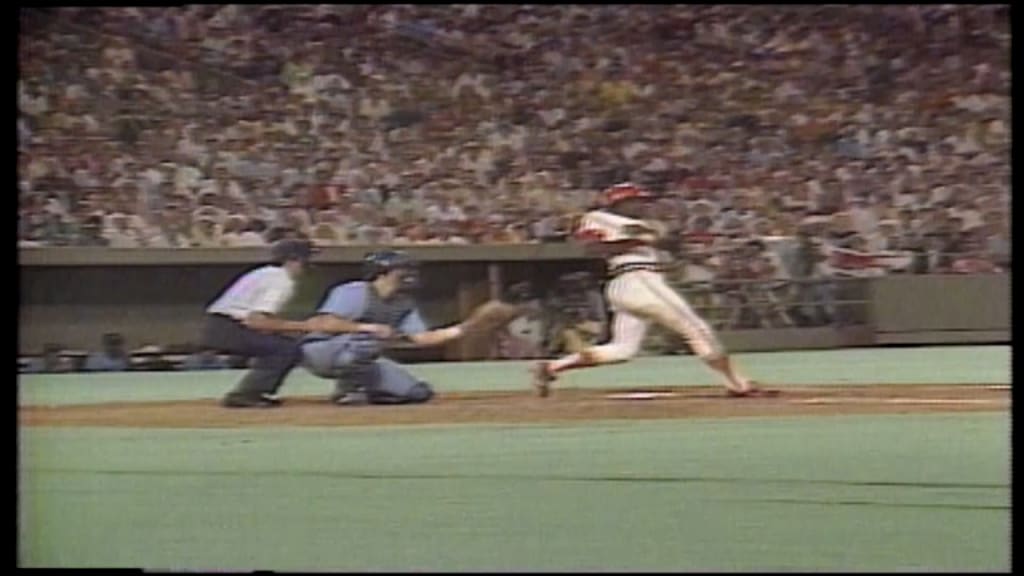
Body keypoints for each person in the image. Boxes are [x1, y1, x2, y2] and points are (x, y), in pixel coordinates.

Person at [531, 182, 775, 398]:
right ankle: (739, 385)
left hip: (633, 282)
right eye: (635, 201)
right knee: (695, 329)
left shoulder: (633, 223)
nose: (641, 205)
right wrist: (647, 238)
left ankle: (551, 368)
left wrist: (662, 240)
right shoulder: (604, 217)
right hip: (637, 279)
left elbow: (659, 242)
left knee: (622, 349)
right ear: (620, 202)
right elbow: (595, 248)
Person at [299, 250, 469, 405]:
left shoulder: (404, 303)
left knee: (418, 393)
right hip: (320, 351)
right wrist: (367, 327)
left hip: (361, 357)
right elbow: (324, 324)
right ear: (382, 273)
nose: (409, 274)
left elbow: (423, 338)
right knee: (367, 340)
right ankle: (348, 391)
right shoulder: (356, 290)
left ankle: (367, 390)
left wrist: (467, 328)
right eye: (402, 269)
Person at [200, 238, 320, 408]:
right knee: (286, 349)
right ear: (293, 259)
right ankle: (247, 394)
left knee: (281, 344)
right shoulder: (282, 280)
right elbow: (257, 321)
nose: (310, 262)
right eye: (306, 258)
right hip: (228, 327)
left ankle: (254, 392)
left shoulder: (264, 272)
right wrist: (304, 326)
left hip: (219, 325)